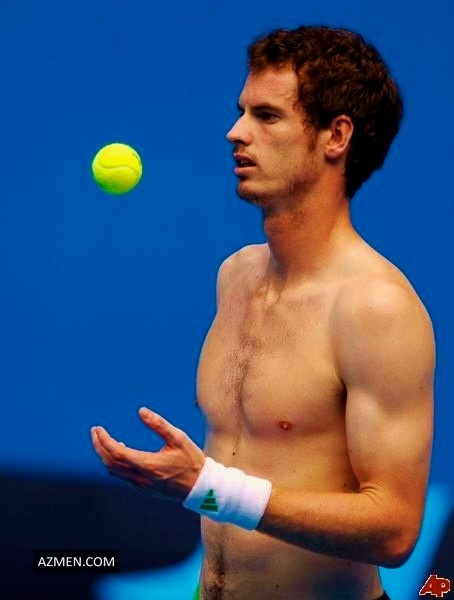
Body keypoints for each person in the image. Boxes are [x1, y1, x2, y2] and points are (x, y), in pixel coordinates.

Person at [91, 25, 435, 600]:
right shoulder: (236, 276)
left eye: (267, 116)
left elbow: (395, 529)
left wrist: (207, 487)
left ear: (335, 136)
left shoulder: (376, 308)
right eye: (242, 112)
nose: (236, 132)